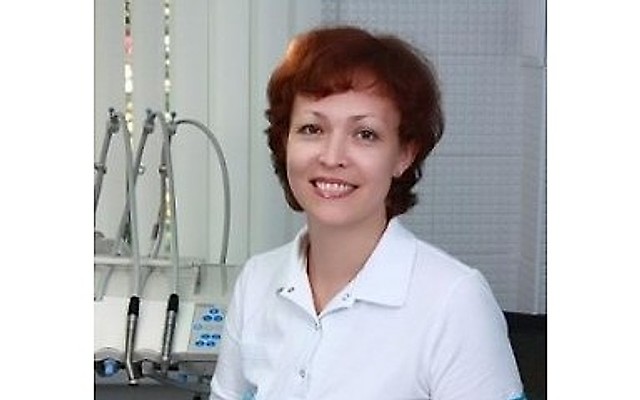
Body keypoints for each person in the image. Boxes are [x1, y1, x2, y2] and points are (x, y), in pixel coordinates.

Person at [210, 25, 526, 400]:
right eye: (312, 128)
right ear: (285, 141)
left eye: (365, 134)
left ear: (404, 154)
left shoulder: (455, 300)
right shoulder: (257, 281)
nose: (332, 157)